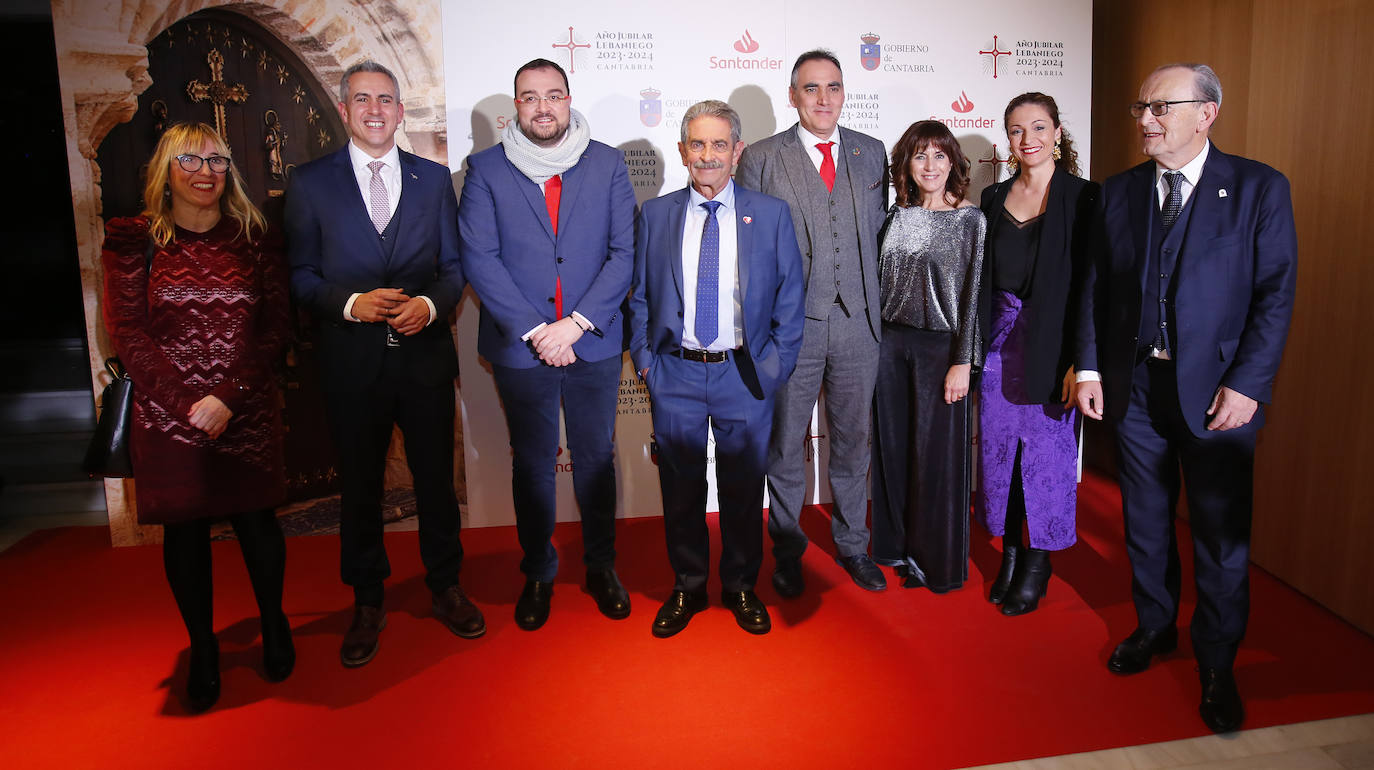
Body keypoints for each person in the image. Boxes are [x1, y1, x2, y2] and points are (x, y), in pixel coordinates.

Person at [1074, 63, 1297, 733]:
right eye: (1140, 104)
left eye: (1160, 106)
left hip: (1220, 395)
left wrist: (1249, 386)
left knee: (1219, 537)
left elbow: (1275, 294)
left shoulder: (1259, 188)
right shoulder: (1118, 193)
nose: (1144, 117)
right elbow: (1095, 289)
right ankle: (1154, 627)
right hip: (1138, 387)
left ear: (1206, 114)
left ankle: (1218, 663)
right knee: (1143, 521)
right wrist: (1089, 369)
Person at [286, 60, 481, 667]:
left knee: (436, 484)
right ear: (344, 110)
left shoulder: (432, 179)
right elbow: (299, 276)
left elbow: (454, 270)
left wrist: (428, 304)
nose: (375, 109)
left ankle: (446, 586)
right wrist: (349, 304)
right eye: (362, 99)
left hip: (423, 361)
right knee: (362, 490)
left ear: (401, 112)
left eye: (386, 100)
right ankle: (367, 601)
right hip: (352, 365)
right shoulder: (309, 183)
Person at [101, 122, 292, 712]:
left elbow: (277, 328)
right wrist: (189, 404)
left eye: (217, 161)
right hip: (169, 417)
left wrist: (229, 396)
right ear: (166, 169)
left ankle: (274, 621)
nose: (206, 172)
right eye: (191, 159)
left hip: (246, 409)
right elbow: (127, 332)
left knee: (259, 524)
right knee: (185, 533)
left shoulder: (256, 238)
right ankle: (203, 647)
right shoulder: (134, 239)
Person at [458, 58, 635, 630]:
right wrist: (539, 330)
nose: (543, 107)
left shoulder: (606, 163)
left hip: (592, 342)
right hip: (521, 347)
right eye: (530, 97)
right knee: (533, 465)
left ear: (567, 99)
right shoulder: (484, 168)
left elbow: (623, 254)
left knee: (596, 460)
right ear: (516, 106)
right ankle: (538, 570)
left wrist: (576, 325)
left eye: (553, 95)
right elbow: (479, 259)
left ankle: (602, 566)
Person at [628, 100, 804, 637]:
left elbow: (790, 303)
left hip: (744, 375)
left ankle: (741, 585)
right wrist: (648, 365)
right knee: (680, 490)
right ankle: (688, 585)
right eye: (697, 145)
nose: (708, 156)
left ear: (737, 151)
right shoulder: (655, 215)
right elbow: (639, 297)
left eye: (719, 145)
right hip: (676, 374)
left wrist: (770, 372)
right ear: (682, 151)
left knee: (744, 489)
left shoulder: (769, 214)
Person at [735, 50, 889, 597]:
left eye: (833, 88)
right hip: (790, 327)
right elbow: (748, 252)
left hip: (859, 325)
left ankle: (853, 545)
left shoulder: (873, 155)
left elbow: (880, 236)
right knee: (785, 445)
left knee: (854, 441)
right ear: (793, 95)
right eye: (811, 89)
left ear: (844, 92)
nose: (824, 99)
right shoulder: (761, 157)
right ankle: (789, 550)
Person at [975, 93, 1098, 616]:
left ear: (1057, 134)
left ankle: (1038, 563)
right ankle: (1010, 551)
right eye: (1018, 130)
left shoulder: (1085, 197)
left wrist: (1081, 360)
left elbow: (1091, 286)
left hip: (1053, 352)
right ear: (1008, 139)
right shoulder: (991, 196)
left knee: (1047, 462)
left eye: (1039, 127)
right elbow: (979, 283)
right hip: (999, 348)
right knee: (1000, 458)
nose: (1029, 139)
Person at [870, 120, 984, 594]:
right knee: (892, 451)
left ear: (953, 163)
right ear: (907, 165)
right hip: (889, 346)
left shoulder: (969, 220)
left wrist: (963, 360)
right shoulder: (894, 216)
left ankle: (933, 562)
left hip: (942, 349)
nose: (930, 166)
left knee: (936, 458)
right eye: (920, 156)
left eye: (939, 156)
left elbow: (974, 294)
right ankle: (894, 547)